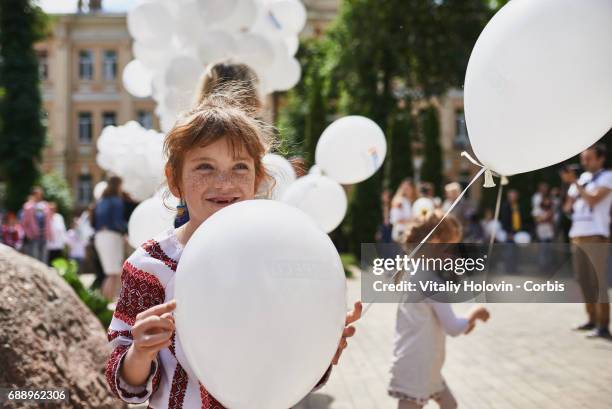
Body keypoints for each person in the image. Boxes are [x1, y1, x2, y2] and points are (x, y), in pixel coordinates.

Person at [104, 89, 362, 408]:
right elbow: (124, 382)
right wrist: (139, 353)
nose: (224, 182)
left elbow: (284, 359)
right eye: (205, 167)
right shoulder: (150, 266)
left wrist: (320, 349)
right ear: (175, 179)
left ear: (258, 178)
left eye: (240, 167)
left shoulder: (278, 256)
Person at [389, 211, 490, 409]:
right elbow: (453, 327)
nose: (453, 255)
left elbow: (437, 320)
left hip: (420, 362)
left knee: (449, 404)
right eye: (450, 248)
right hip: (418, 365)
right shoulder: (431, 281)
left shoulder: (412, 269)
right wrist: (475, 313)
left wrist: (465, 324)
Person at [564, 144, 612, 338]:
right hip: (577, 235)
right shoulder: (583, 179)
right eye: (583, 158)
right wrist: (570, 184)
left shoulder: (607, 177)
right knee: (583, 281)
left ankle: (603, 325)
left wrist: (575, 183)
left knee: (597, 281)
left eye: (589, 158)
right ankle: (591, 319)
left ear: (600, 159)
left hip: (596, 235)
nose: (584, 162)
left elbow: (593, 200)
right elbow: (567, 207)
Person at [94, 176, 127, 301]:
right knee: (113, 273)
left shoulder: (101, 200)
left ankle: (104, 302)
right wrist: (126, 231)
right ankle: (108, 302)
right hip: (112, 236)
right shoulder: (116, 200)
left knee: (109, 273)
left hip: (99, 236)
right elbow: (118, 222)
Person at [21, 186, 52, 263]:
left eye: (40, 194)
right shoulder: (28, 206)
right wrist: (28, 234)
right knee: (34, 259)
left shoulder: (45, 205)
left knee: (44, 259)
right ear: (33, 195)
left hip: (44, 235)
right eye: (37, 194)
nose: (39, 196)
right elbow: (24, 223)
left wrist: (50, 234)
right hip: (34, 236)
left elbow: (49, 221)